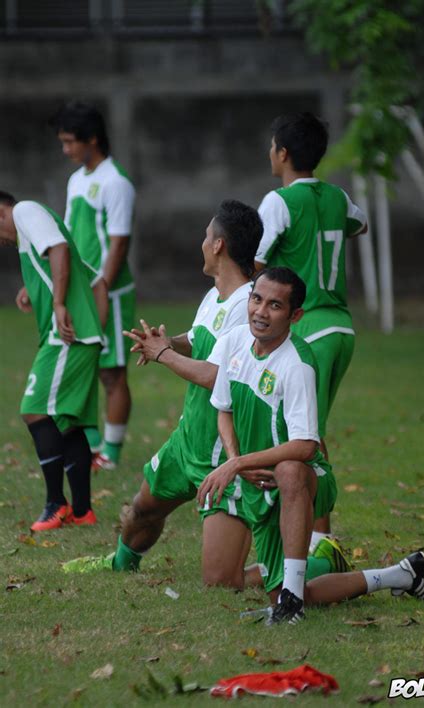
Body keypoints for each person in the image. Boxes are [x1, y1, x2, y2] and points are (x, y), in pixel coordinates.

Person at [197, 268, 424, 623]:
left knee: (290, 470)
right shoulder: (233, 341)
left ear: (295, 316)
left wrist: (236, 465)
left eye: (275, 305)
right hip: (257, 484)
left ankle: (290, 605)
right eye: (256, 299)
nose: (260, 312)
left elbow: (306, 447)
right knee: (235, 582)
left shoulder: (297, 364)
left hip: (307, 480)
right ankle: (401, 575)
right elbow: (224, 411)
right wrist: (235, 461)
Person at [63, 200, 269, 586]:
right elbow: (197, 340)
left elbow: (219, 377)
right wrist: (166, 342)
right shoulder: (216, 296)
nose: (202, 243)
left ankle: (306, 567)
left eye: (207, 236)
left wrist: (163, 356)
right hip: (188, 437)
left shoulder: (248, 305)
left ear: (219, 245)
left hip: (222, 452)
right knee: (143, 509)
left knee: (221, 581)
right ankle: (120, 566)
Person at [255, 113, 367, 544]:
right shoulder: (337, 196)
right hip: (341, 328)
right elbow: (361, 224)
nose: (270, 153)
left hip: (310, 327)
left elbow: (258, 262)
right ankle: (317, 538)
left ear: (282, 153)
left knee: (300, 436)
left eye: (271, 146)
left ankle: (319, 543)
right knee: (311, 429)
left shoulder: (279, 202)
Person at [0, 191, 106, 530]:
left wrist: (61, 305)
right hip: (78, 337)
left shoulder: (25, 211)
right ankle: (83, 510)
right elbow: (96, 280)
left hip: (66, 338)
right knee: (66, 421)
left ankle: (55, 505)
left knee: (34, 409)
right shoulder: (36, 230)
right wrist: (95, 331)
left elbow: (58, 250)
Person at [50, 101, 136, 471]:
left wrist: (102, 286)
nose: (66, 149)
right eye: (64, 142)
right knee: (81, 365)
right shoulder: (76, 181)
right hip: (82, 289)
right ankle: (93, 446)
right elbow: (65, 236)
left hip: (110, 293)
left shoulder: (116, 183)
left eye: (71, 142)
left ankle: (111, 455)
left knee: (112, 372)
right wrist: (57, 281)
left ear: (93, 139)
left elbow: (119, 242)